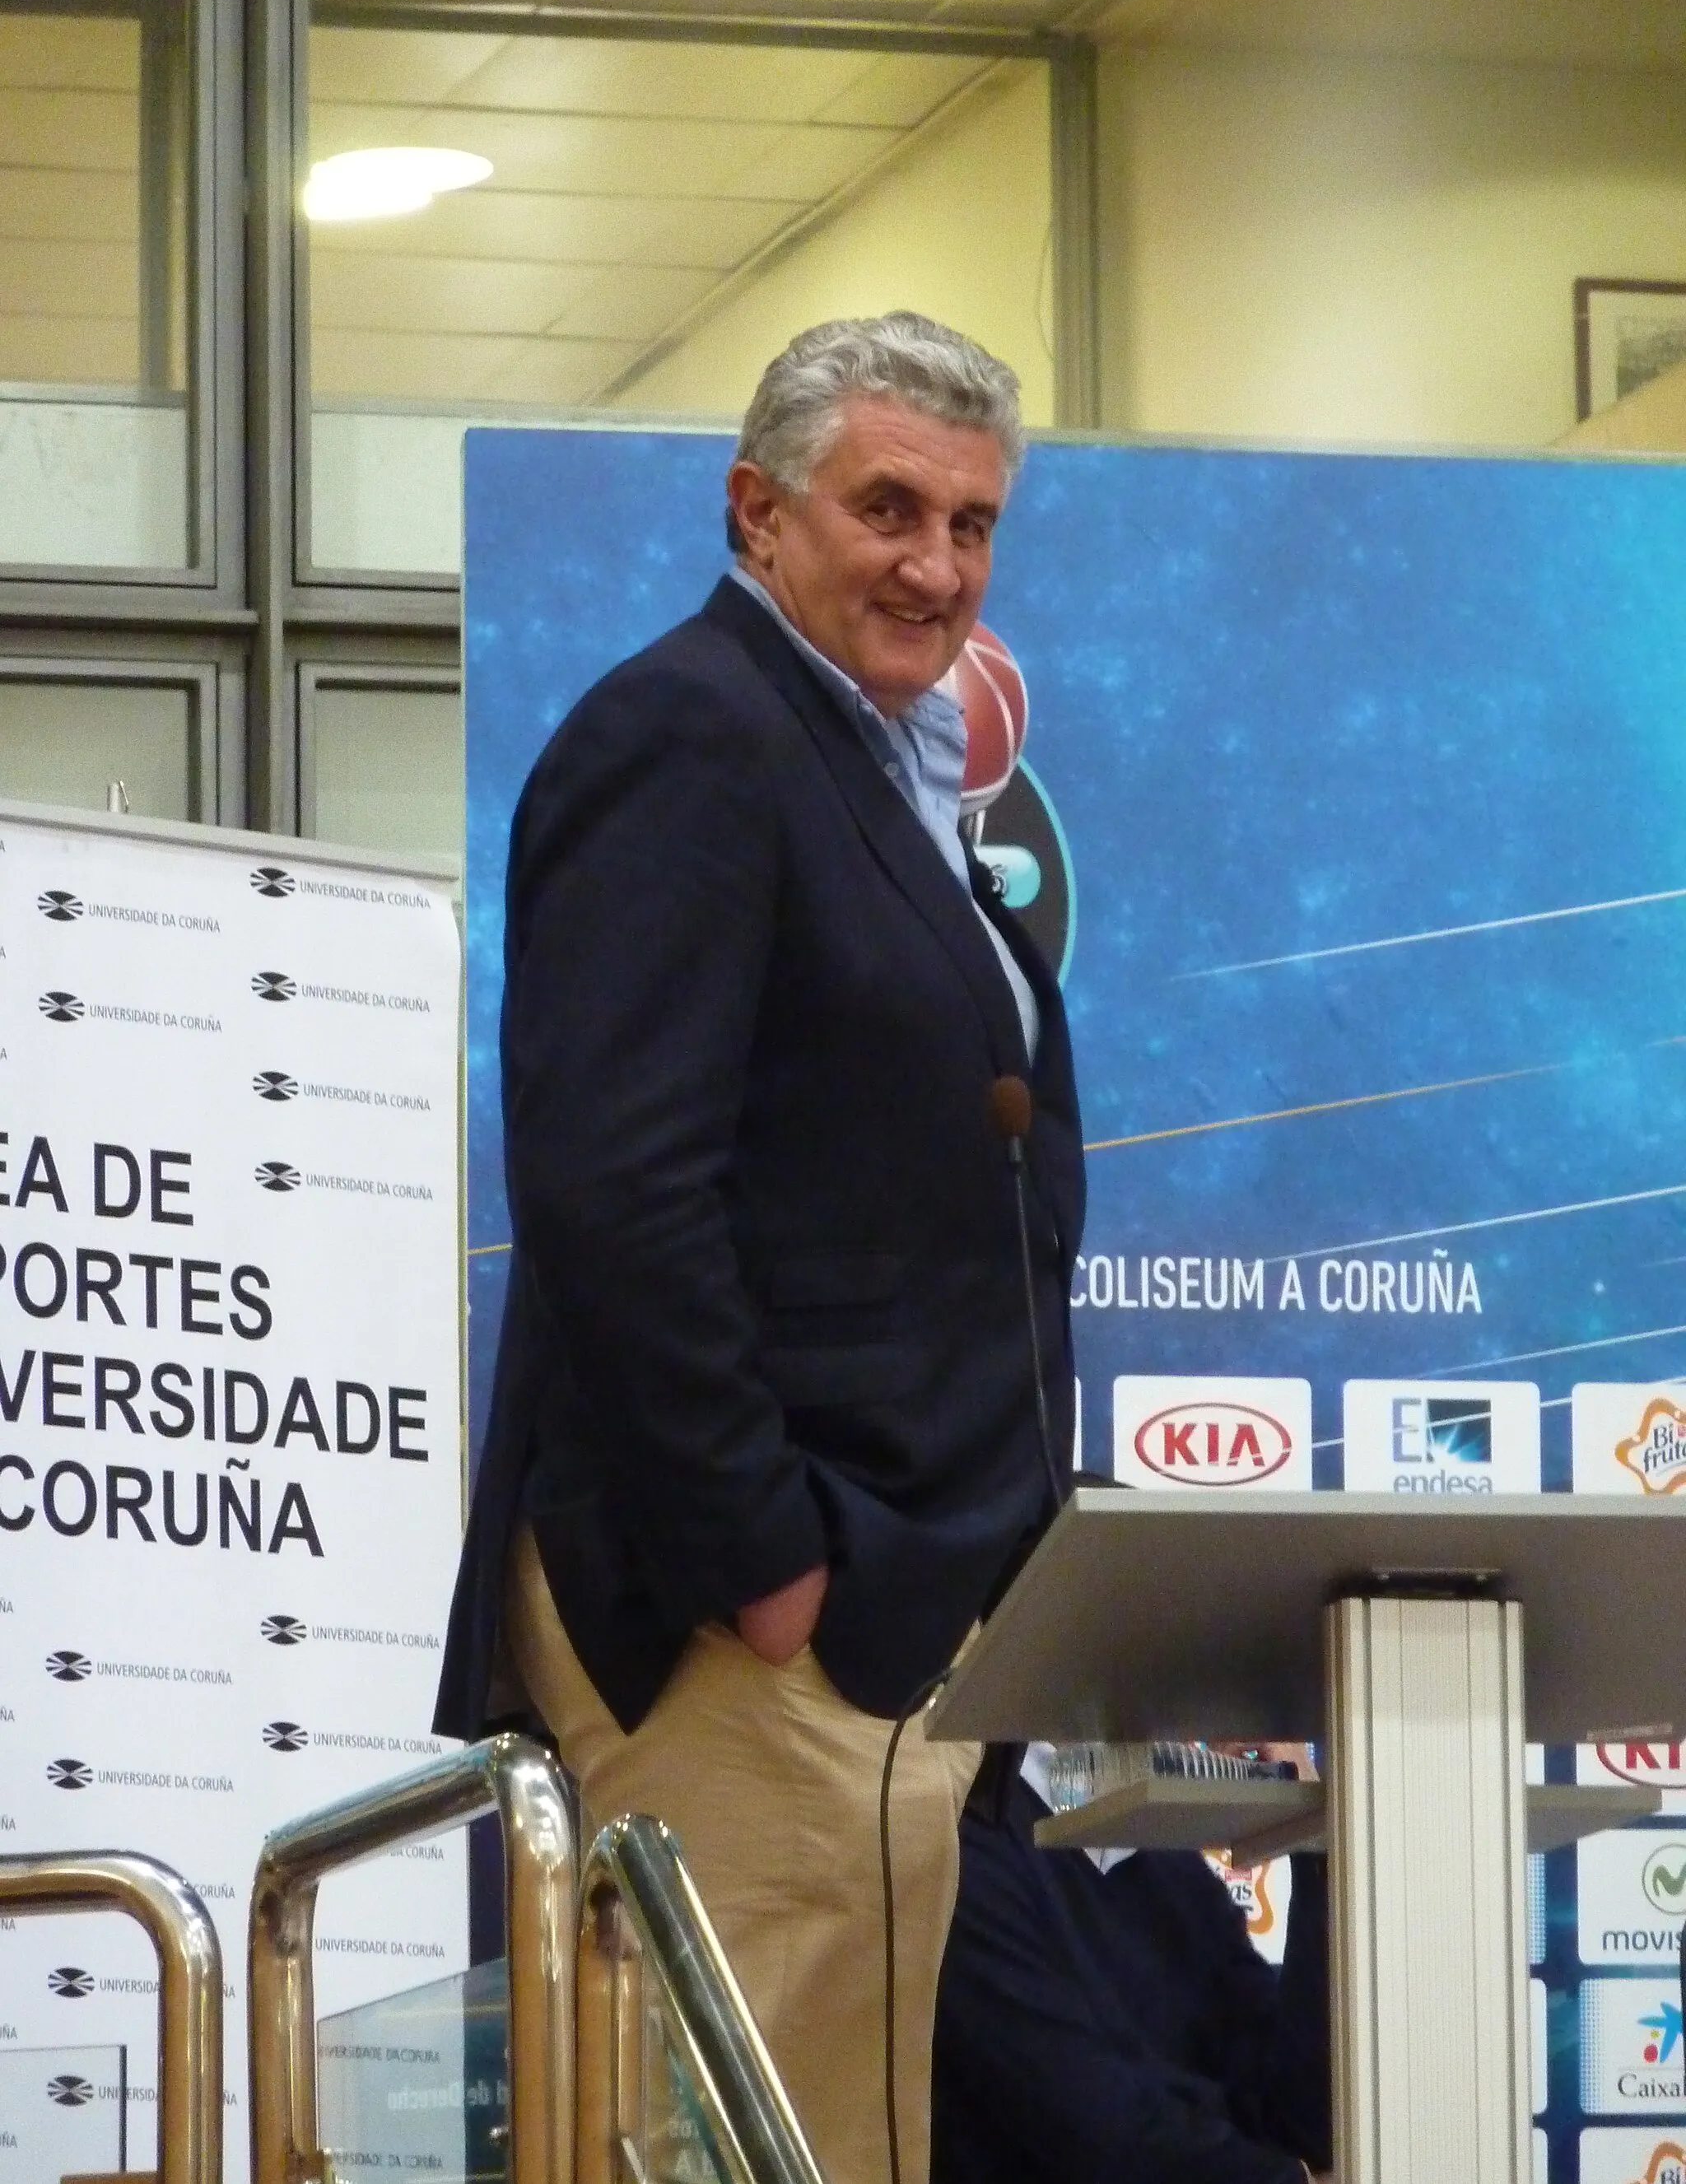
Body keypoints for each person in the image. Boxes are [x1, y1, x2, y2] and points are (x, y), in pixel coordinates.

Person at [434, 310, 1087, 2184]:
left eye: (970, 524)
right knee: (718, 2153)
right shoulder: (691, 735)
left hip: (895, 1624)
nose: (934, 564)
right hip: (754, 1635)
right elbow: (613, 1186)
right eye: (886, 506)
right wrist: (768, 1571)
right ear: (756, 509)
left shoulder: (883, 765)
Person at [931, 1744, 1333, 2184]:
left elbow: (1301, 2116)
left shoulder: (1161, 1857)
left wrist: (1318, 1840)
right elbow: (1093, 2132)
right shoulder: (964, 1839)